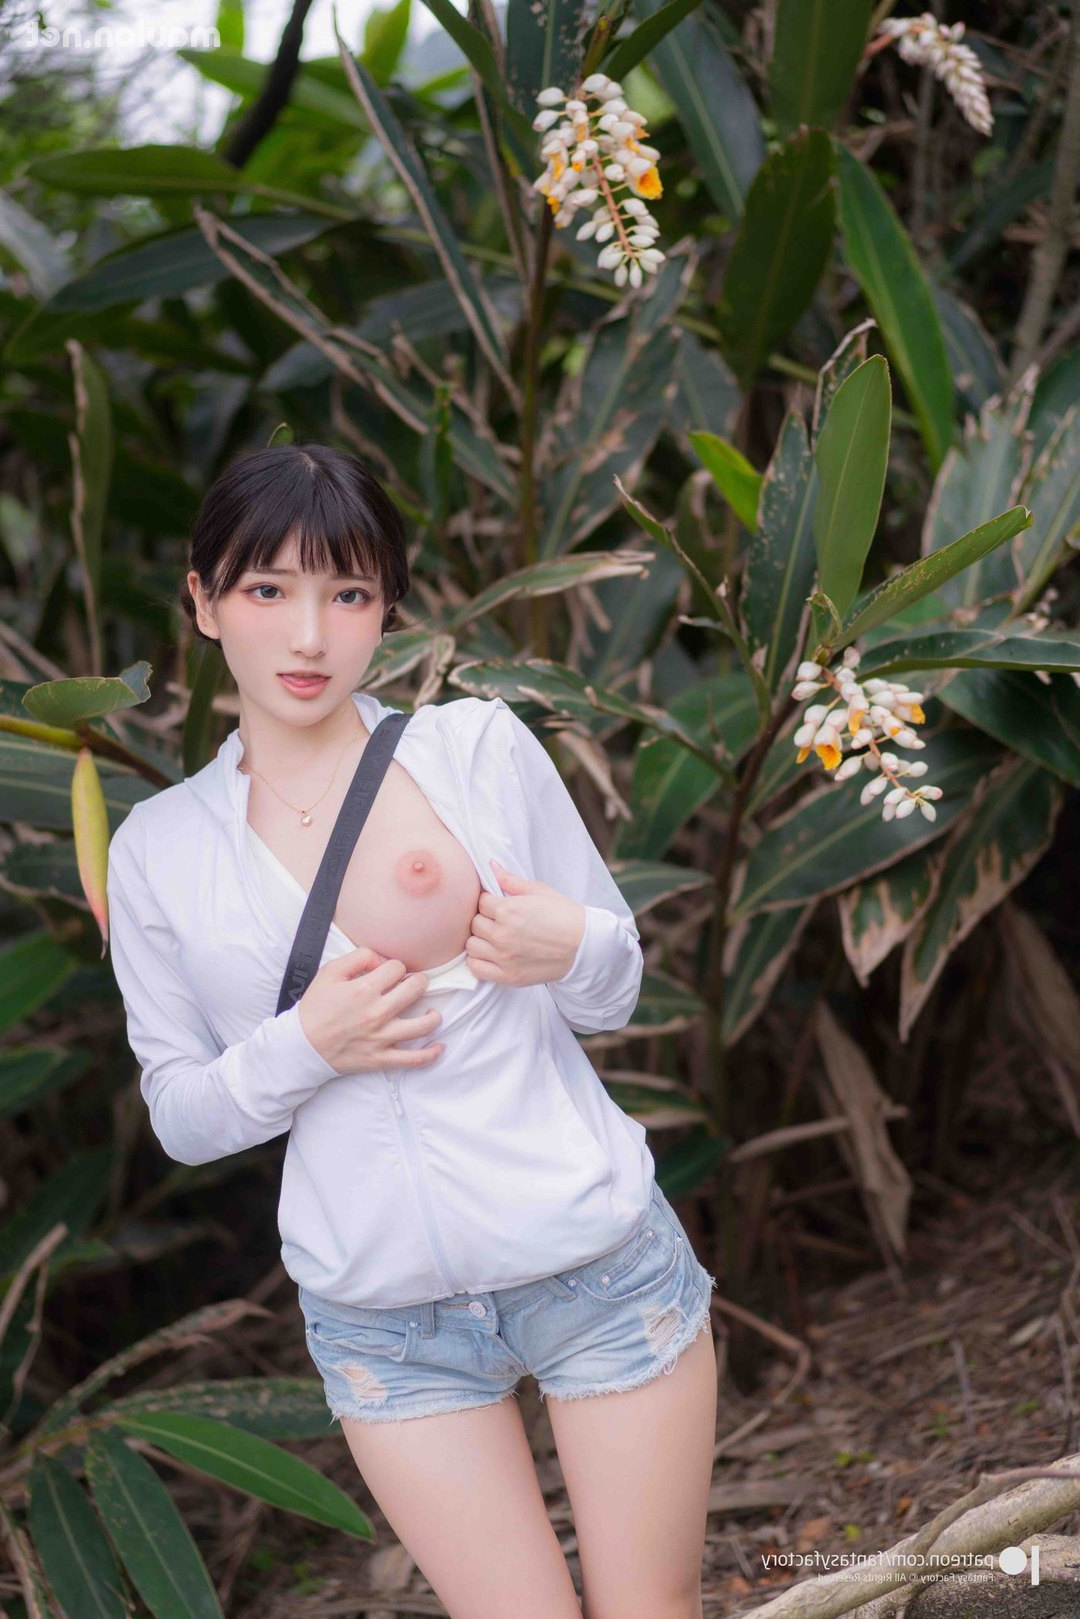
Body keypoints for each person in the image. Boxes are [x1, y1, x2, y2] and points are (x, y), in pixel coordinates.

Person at [105, 443, 718, 1619]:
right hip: (386, 1325)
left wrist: (569, 945)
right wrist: (307, 1044)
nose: (309, 636)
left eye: (348, 593)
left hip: (592, 1264)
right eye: (267, 589)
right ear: (203, 600)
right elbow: (179, 1113)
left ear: (386, 606)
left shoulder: (472, 748)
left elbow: (613, 988)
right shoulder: (159, 848)